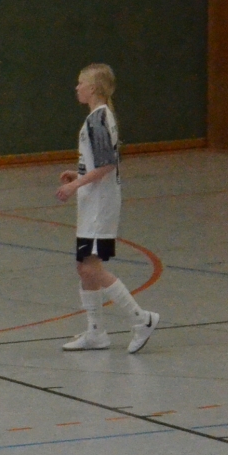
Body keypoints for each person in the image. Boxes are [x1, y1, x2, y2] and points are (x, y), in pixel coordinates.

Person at [55, 63, 160, 353]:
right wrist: (79, 174)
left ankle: (141, 319)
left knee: (91, 266)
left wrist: (75, 186)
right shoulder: (97, 118)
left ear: (93, 88)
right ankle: (96, 332)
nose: (77, 88)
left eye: (80, 83)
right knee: (84, 267)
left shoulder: (98, 119)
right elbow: (99, 163)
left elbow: (107, 165)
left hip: (99, 207)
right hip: (93, 203)